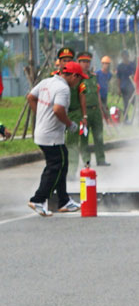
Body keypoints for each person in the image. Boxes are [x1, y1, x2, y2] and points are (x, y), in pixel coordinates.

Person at [26, 62, 84, 215]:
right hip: (51, 136)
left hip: (42, 132)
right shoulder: (63, 89)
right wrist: (69, 124)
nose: (78, 83)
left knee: (62, 164)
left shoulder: (47, 82)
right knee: (55, 167)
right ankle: (38, 199)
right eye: (79, 79)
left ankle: (64, 201)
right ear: (73, 76)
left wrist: (41, 115)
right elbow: (58, 109)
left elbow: (30, 97)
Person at [75, 52, 110, 166]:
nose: (86, 64)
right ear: (78, 62)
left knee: (99, 136)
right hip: (83, 111)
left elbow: (97, 93)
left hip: (96, 111)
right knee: (84, 137)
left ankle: (101, 159)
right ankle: (86, 160)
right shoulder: (76, 78)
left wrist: (101, 109)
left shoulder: (94, 77)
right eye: (84, 62)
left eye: (88, 62)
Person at [115, 51, 135, 121]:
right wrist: (119, 89)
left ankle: (135, 118)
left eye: (126, 56)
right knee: (126, 105)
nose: (125, 57)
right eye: (123, 56)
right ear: (122, 57)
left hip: (132, 87)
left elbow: (136, 75)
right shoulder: (120, 66)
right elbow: (118, 78)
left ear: (128, 56)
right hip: (124, 88)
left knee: (135, 103)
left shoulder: (132, 65)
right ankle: (126, 119)